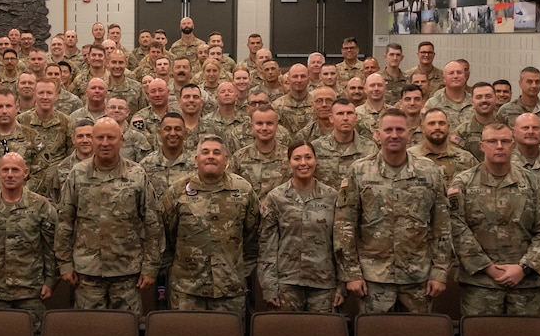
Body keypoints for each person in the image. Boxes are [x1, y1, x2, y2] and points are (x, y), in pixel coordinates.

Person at [335, 109, 453, 313]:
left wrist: (440, 272)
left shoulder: (429, 171)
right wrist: (352, 273)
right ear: (378, 134)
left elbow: (441, 225)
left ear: (409, 133)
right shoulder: (359, 171)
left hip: (418, 278)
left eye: (400, 129)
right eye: (388, 130)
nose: (394, 135)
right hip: (373, 278)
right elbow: (345, 225)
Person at [55, 118, 163, 313]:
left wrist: (150, 267)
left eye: (111, 137)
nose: (105, 143)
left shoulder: (137, 174)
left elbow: (152, 223)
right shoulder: (77, 174)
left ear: (121, 140)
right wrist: (64, 264)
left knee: (126, 331)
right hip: (87, 273)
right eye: (100, 138)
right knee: (90, 331)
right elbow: (64, 222)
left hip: (127, 271)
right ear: (93, 140)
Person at [449, 123, 540, 316]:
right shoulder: (463, 183)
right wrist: (489, 268)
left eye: (505, 141)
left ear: (513, 145)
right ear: (482, 146)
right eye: (492, 141)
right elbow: (456, 229)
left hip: (524, 284)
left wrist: (523, 268)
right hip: (480, 285)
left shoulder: (533, 183)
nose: (499, 146)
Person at [161, 136, 259, 315]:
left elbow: (252, 234)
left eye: (217, 152)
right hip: (187, 290)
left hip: (229, 289)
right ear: (196, 159)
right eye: (205, 152)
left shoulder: (243, 190)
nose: (211, 156)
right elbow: (167, 233)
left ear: (226, 160)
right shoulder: (177, 191)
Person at [0, 153, 58, 326]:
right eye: (5, 170)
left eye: (15, 170)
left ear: (25, 173)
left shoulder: (41, 205)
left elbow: (51, 247)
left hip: (31, 291)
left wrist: (51, 281)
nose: (10, 174)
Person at [259, 141, 344, 312]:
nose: (303, 163)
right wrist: (269, 286)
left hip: (324, 283)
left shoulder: (332, 196)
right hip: (287, 283)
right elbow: (267, 246)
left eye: (308, 157)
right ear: (289, 162)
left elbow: (341, 243)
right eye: (297, 158)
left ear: (316, 160)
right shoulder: (276, 198)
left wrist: (342, 284)